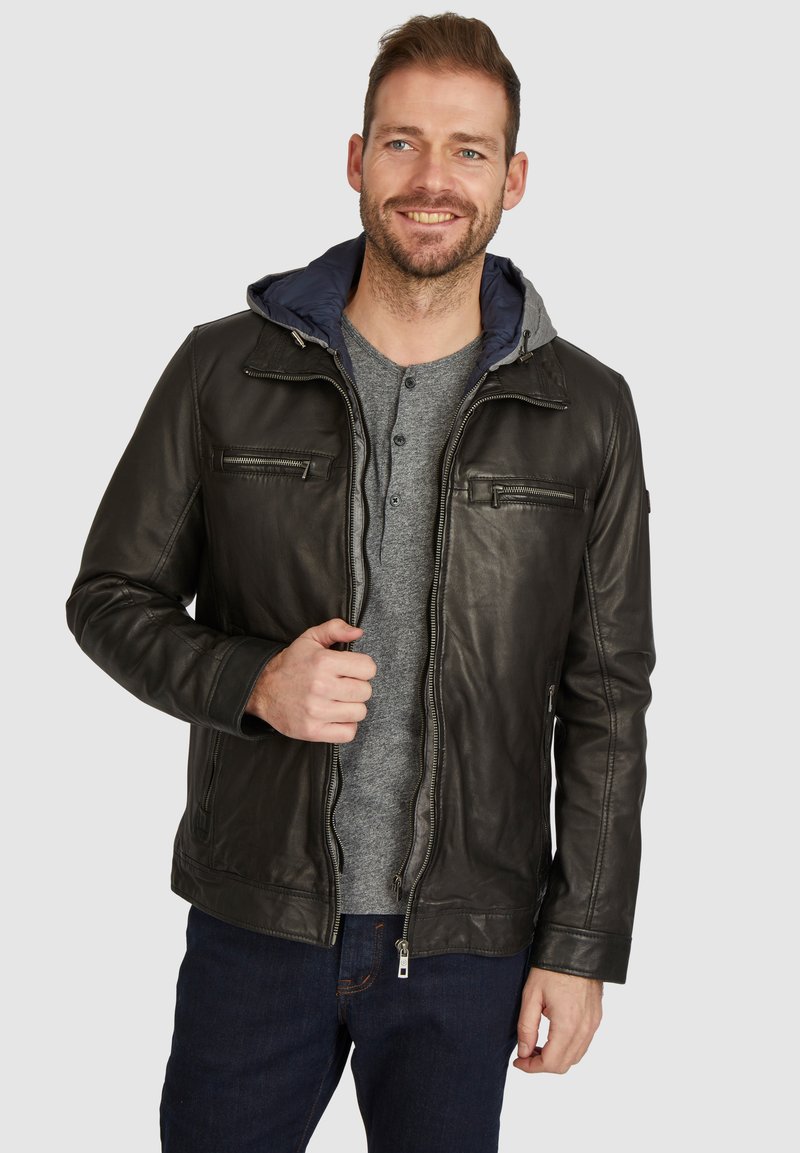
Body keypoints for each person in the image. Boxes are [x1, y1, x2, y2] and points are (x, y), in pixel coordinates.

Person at [66, 12, 655, 1152]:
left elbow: (607, 695)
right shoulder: (222, 368)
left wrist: (580, 943)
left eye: (468, 150)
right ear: (355, 159)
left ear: (512, 179)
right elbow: (108, 596)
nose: (432, 179)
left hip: (469, 943)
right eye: (402, 143)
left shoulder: (586, 409)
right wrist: (251, 681)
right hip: (257, 919)